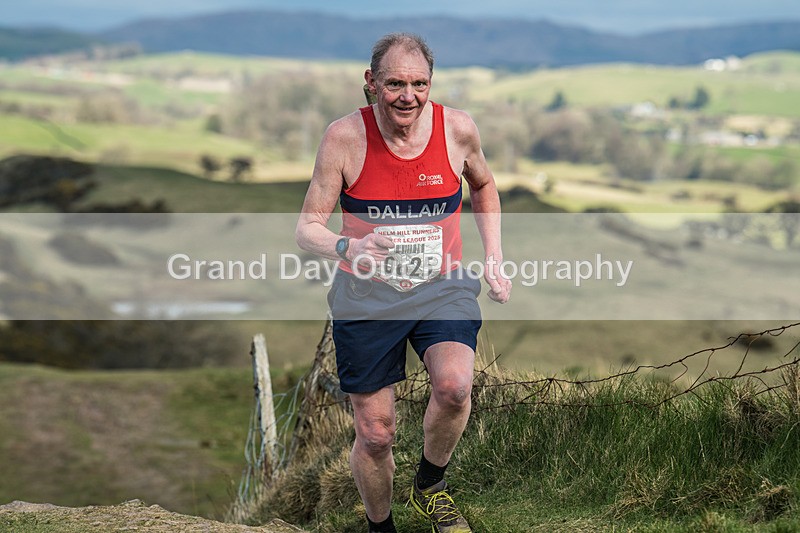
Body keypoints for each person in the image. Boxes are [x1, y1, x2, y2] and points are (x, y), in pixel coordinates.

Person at [296, 32, 511, 533]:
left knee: (456, 387)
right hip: (366, 296)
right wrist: (349, 247)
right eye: (394, 83)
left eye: (419, 84)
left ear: (431, 84)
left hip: (442, 286)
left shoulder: (457, 129)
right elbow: (307, 229)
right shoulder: (344, 138)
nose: (408, 96)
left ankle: (430, 487)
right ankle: (380, 524)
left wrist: (495, 257)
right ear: (371, 83)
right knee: (375, 434)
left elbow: (482, 184)